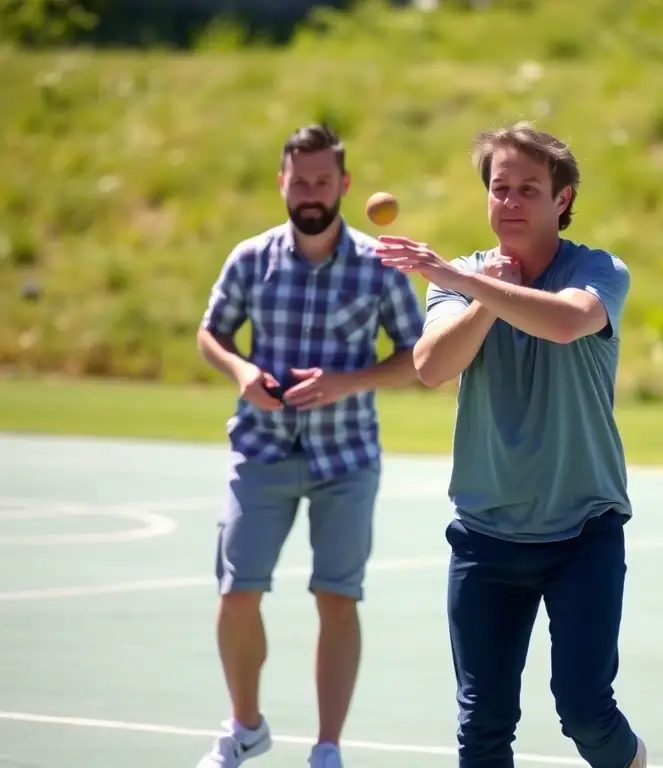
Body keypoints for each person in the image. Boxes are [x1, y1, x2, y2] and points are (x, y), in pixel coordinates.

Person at [376, 122, 648, 768]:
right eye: (500, 188)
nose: (511, 202)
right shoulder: (460, 279)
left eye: (529, 188)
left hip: (582, 531)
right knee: (483, 725)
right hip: (486, 535)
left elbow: (564, 324)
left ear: (563, 198)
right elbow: (433, 366)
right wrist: (476, 290)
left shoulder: (598, 270)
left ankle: (632, 761)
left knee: (585, 710)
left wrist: (478, 285)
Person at [195, 123, 425, 768]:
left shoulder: (379, 267)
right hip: (261, 450)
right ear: (283, 184)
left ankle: (327, 748)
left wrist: (349, 381)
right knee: (237, 594)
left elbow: (419, 358)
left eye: (324, 180)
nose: (312, 192)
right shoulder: (250, 258)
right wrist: (243, 374)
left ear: (345, 185)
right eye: (300, 181)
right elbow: (211, 333)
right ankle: (245, 728)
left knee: (337, 600)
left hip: (346, 459)